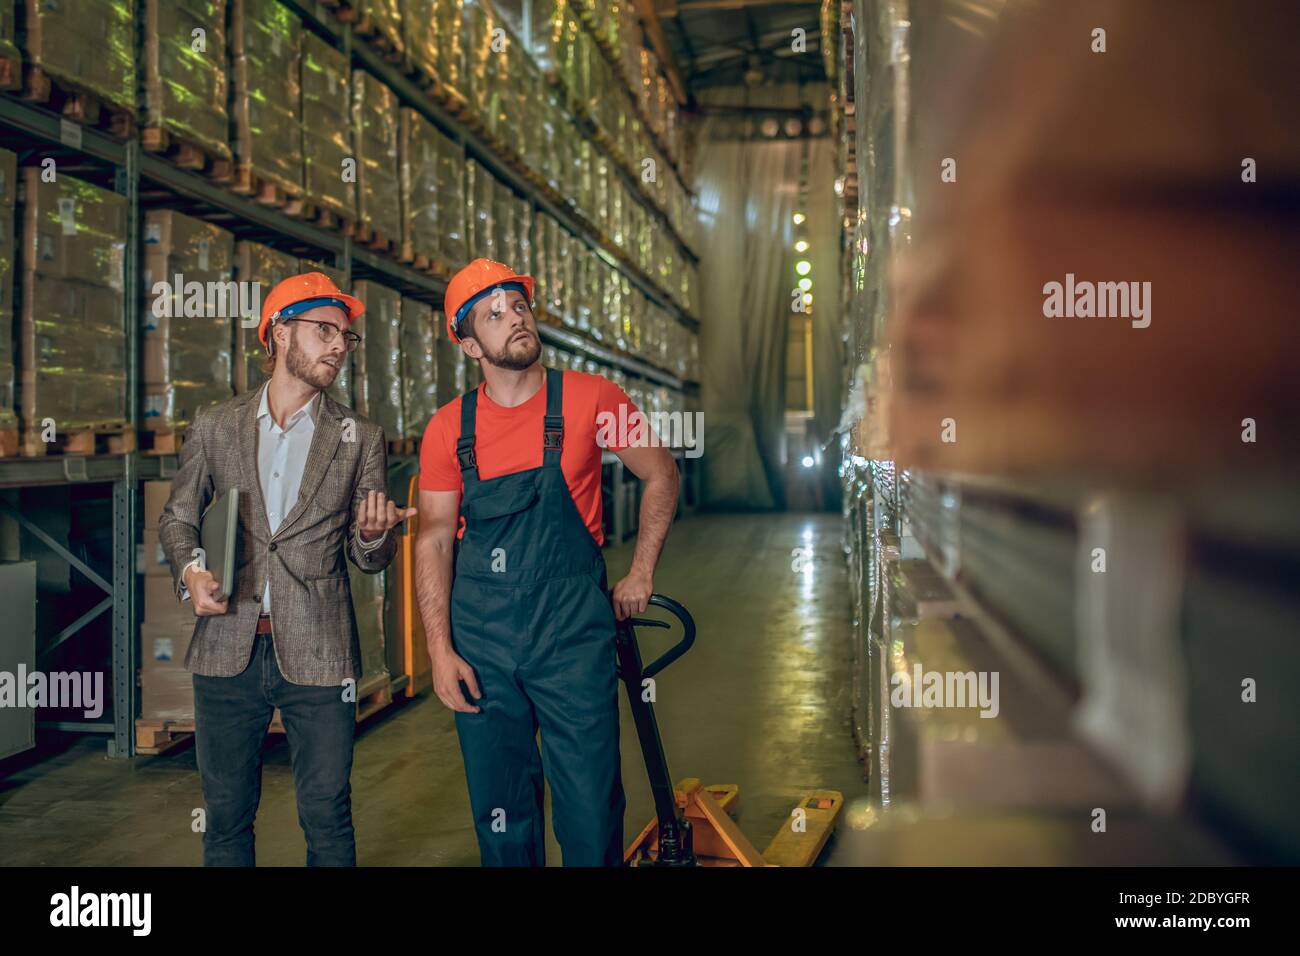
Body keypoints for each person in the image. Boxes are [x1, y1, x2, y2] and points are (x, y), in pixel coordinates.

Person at [414, 258, 680, 866]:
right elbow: (432, 539)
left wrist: (639, 574)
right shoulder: (447, 429)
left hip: (571, 633)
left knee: (590, 805)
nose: (515, 319)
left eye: (520, 305)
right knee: (502, 811)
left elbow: (661, 473)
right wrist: (438, 650)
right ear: (467, 343)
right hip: (481, 640)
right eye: (495, 314)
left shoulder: (593, 398)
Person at [157, 272, 414, 866]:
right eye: (324, 331)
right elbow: (177, 519)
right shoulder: (217, 426)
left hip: (320, 652)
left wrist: (374, 537)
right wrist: (193, 571)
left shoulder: (359, 437)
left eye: (344, 339)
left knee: (327, 813)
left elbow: (367, 559)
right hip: (227, 647)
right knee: (225, 816)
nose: (336, 347)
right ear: (278, 333)